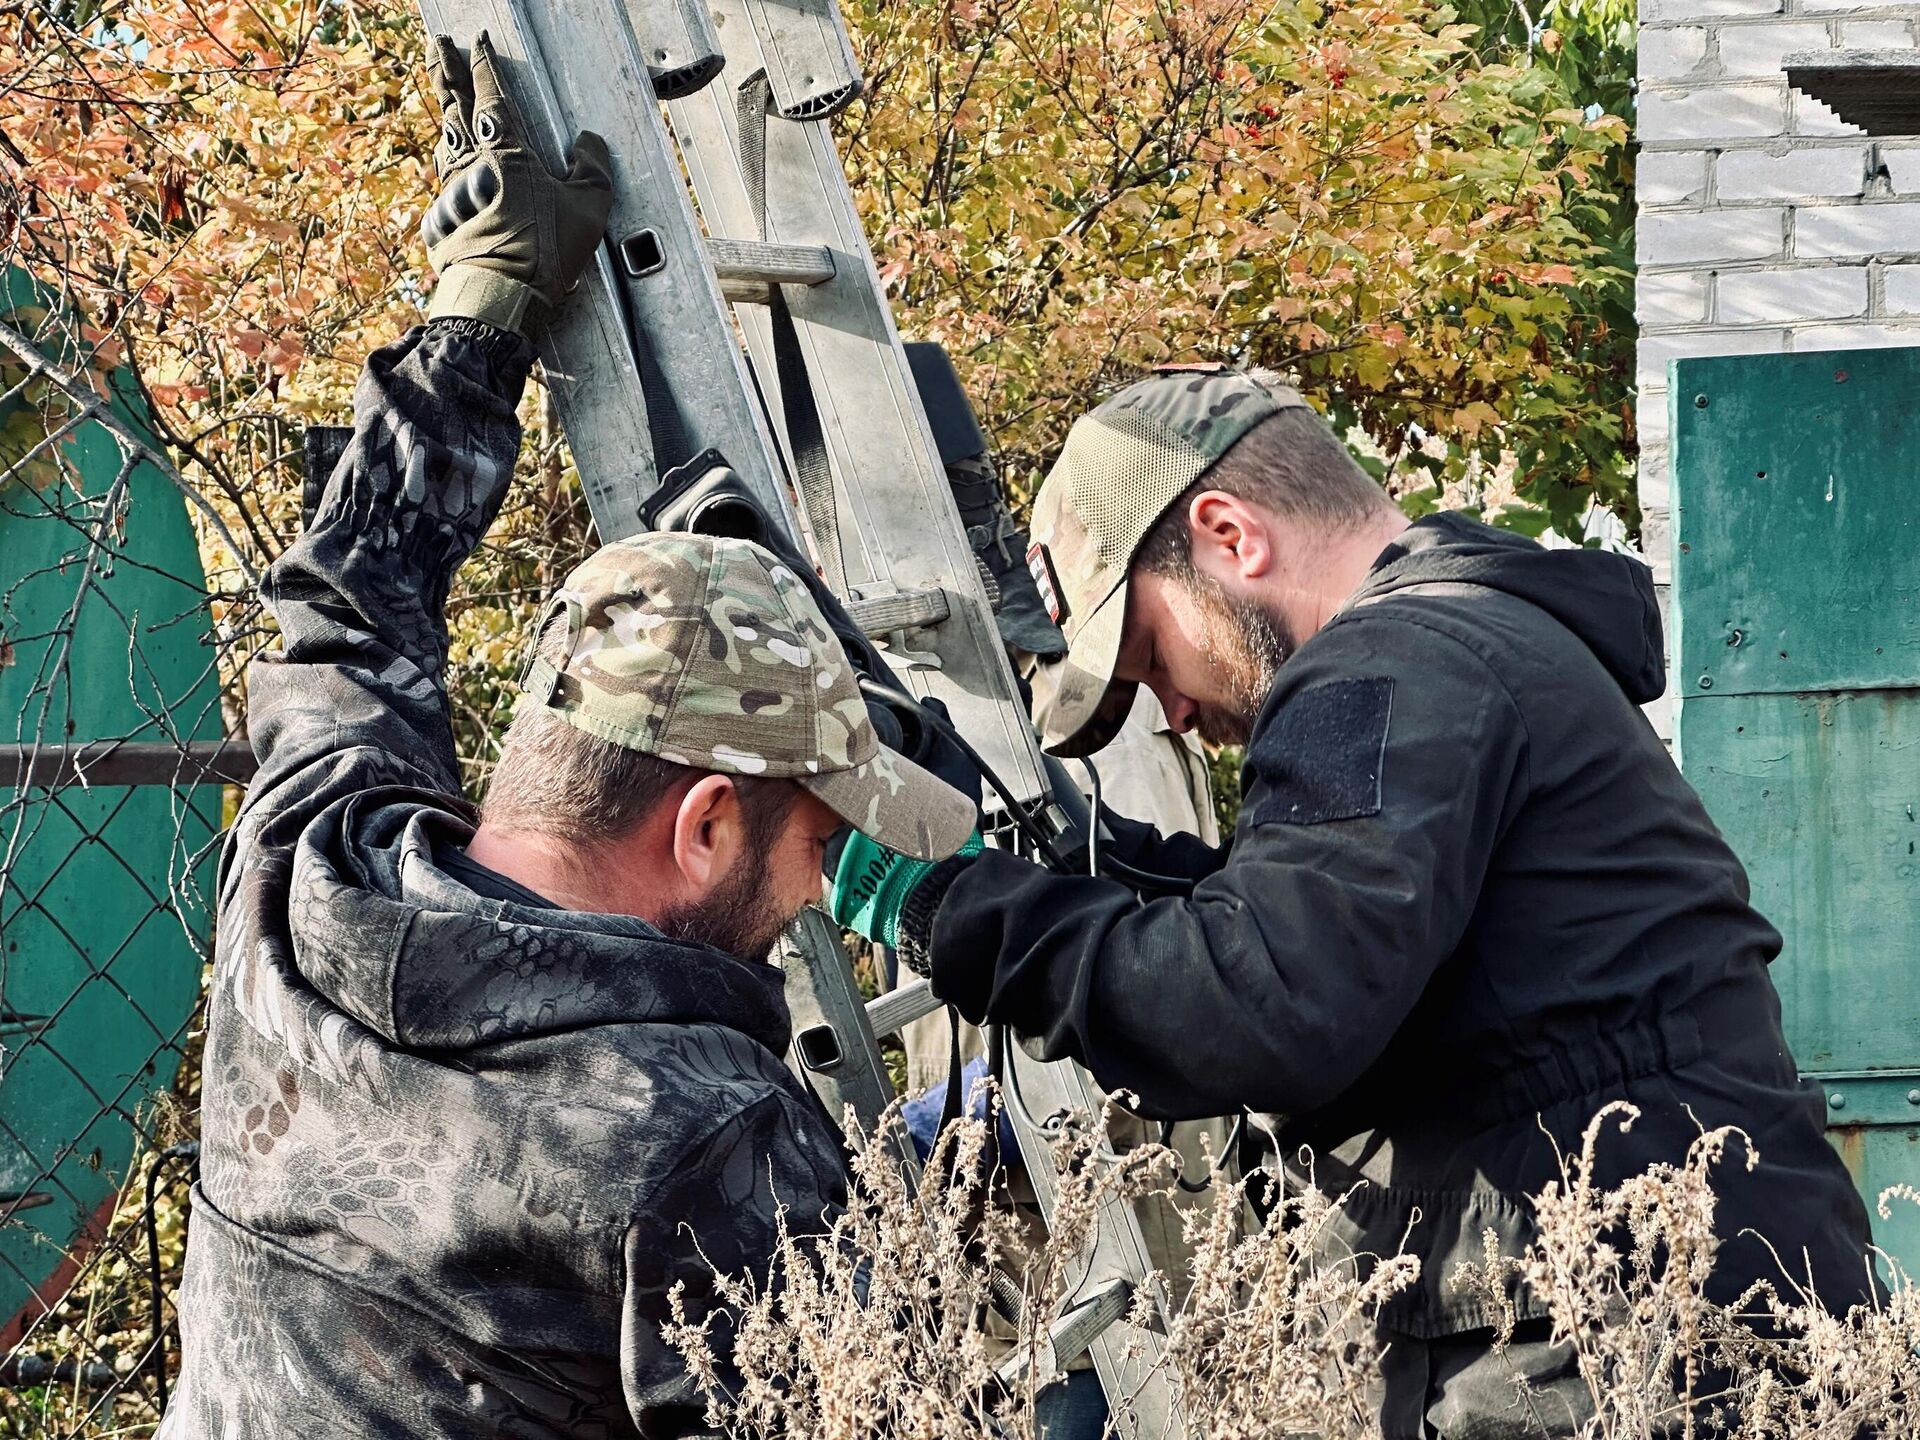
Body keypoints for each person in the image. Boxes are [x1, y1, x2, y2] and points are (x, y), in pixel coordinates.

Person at [165, 35, 974, 1438]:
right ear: (707, 819)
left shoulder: (300, 887)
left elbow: (347, 609)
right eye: (817, 841)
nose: (816, 897)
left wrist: (482, 306)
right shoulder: (700, 1137)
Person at [827, 365, 1880, 1437]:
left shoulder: (1384, 670)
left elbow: (1264, 1009)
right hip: (1684, 1327)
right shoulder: (1476, 647)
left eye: (1148, 653)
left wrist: (951, 910)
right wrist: (1091, 868)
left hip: (1616, 1356)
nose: (1171, 710)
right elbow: (1347, 951)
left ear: (1230, 533)